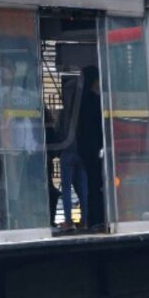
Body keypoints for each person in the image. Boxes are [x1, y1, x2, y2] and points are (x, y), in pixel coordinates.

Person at [75, 66, 105, 231]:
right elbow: (100, 127)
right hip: (95, 150)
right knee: (96, 185)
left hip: (84, 149)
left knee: (89, 186)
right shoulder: (94, 100)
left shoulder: (80, 100)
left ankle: (91, 219)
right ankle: (97, 218)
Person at [57, 75, 86, 231]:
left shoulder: (65, 111)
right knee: (84, 188)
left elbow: (59, 130)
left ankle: (68, 221)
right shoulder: (82, 107)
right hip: (81, 151)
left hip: (67, 151)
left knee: (67, 189)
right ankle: (85, 219)